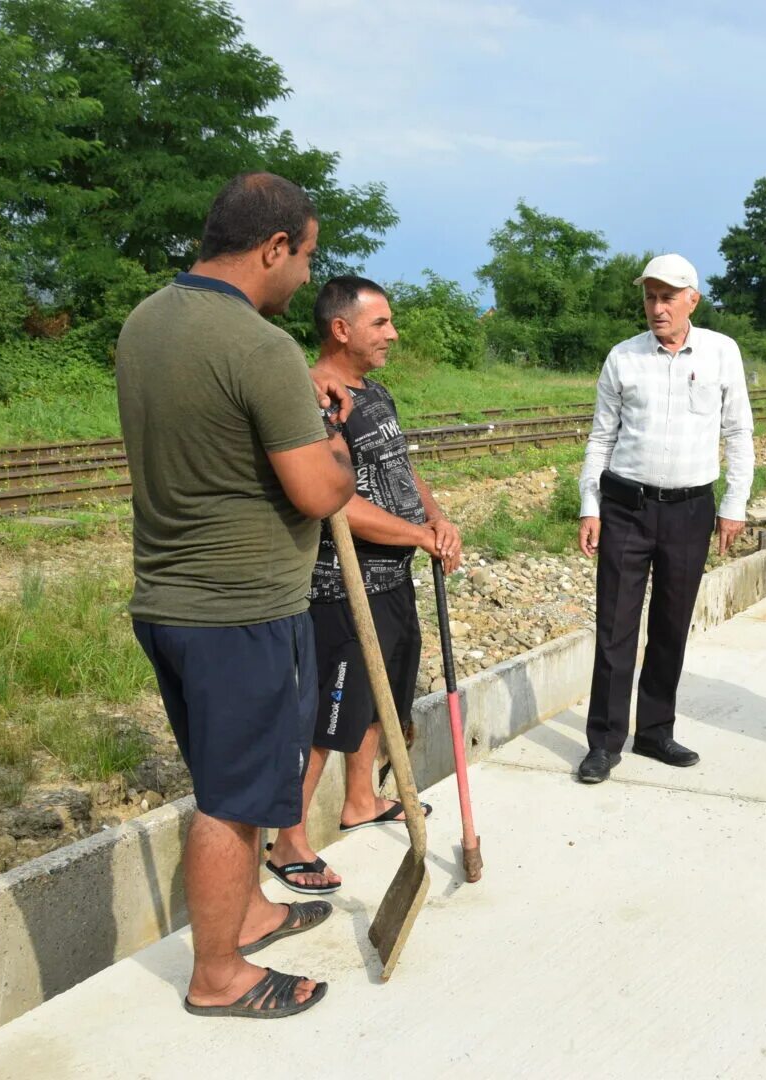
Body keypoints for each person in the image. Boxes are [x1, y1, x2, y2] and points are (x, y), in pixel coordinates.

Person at [117, 172, 355, 1018]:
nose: (303, 276)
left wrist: (295, 403)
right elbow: (318, 493)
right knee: (231, 798)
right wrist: (334, 435)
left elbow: (217, 431)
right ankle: (219, 975)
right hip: (243, 609)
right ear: (273, 248)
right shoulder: (260, 346)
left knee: (235, 775)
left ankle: (251, 910)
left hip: (168, 602)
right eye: (305, 257)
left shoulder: (146, 322)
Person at [265, 276, 463, 893]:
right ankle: (287, 842)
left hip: (392, 576)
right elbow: (337, 506)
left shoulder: (374, 395)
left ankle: (361, 801)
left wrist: (434, 518)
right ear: (341, 329)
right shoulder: (315, 406)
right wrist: (416, 537)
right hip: (341, 586)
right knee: (333, 709)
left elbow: (401, 473)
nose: (393, 334)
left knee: (388, 696)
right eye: (381, 324)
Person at [575, 254, 754, 784]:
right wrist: (591, 506)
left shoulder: (722, 353)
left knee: (672, 624)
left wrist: (733, 505)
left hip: (690, 510)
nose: (658, 307)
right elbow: (601, 437)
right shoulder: (623, 358)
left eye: (668, 297)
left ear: (691, 300)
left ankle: (655, 731)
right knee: (615, 627)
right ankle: (604, 743)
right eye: (650, 297)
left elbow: (738, 433)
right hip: (625, 506)